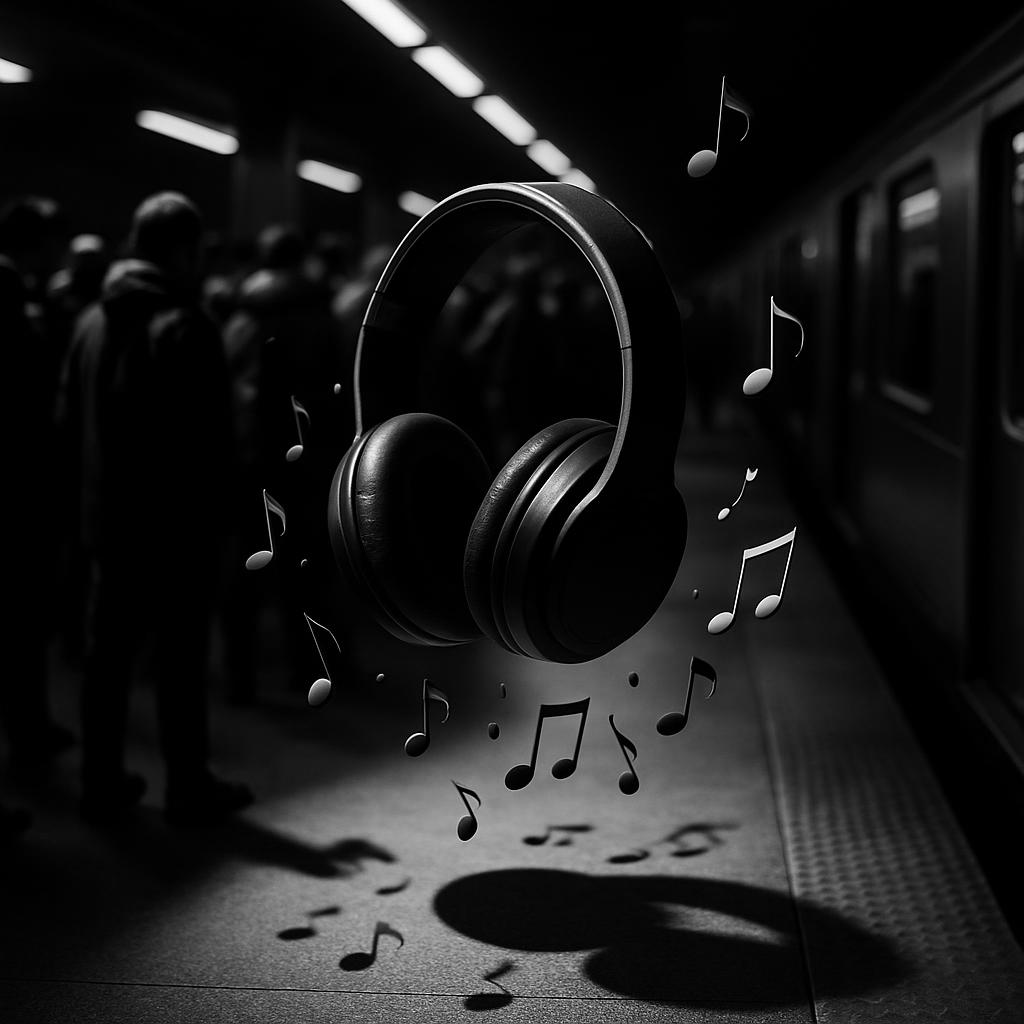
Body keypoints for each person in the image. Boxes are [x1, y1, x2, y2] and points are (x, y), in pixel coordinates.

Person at [60, 191, 252, 825]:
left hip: (105, 522)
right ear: (182, 249)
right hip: (173, 529)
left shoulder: (90, 321)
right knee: (179, 659)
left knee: (106, 656)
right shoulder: (185, 324)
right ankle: (188, 783)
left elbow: (64, 423)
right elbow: (210, 442)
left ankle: (99, 779)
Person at [0, 196, 75, 795]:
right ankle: (26, 728)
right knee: (20, 616)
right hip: (17, 481)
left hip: (22, 478)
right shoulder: (8, 293)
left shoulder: (24, 294)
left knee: (25, 618)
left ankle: (30, 724)